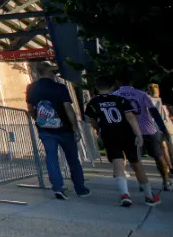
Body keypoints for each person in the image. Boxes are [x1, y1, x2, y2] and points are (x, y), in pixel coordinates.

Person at [84, 75, 159, 206]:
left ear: (96, 87)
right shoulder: (120, 99)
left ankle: (125, 194)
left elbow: (92, 120)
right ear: (112, 87)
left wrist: (100, 130)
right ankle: (149, 195)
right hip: (126, 134)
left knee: (118, 164)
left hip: (109, 135)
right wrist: (139, 134)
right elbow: (130, 117)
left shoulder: (93, 103)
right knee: (136, 164)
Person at [25, 61, 90, 199]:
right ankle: (80, 188)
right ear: (48, 72)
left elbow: (30, 108)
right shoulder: (60, 88)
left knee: (51, 157)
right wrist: (75, 128)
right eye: (53, 72)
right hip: (63, 128)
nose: (55, 74)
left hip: (44, 128)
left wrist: (37, 119)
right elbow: (68, 108)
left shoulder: (31, 88)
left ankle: (58, 187)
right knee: (72, 159)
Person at [113, 73, 173, 191]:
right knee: (158, 156)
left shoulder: (115, 95)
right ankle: (165, 181)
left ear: (117, 82)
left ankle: (142, 182)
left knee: (136, 159)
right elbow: (154, 112)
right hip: (148, 129)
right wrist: (163, 129)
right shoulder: (141, 94)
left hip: (129, 131)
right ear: (131, 82)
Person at [145, 84, 173, 175]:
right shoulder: (160, 101)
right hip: (164, 126)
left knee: (163, 149)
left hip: (156, 127)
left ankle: (168, 167)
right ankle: (169, 166)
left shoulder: (148, 100)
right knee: (167, 148)